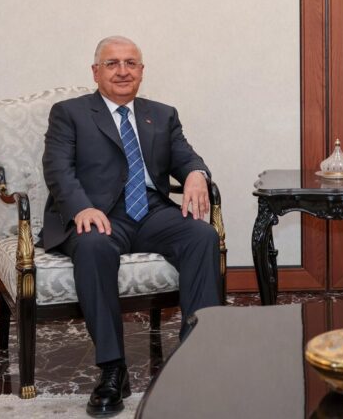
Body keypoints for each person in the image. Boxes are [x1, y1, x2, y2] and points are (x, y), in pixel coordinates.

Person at [42, 35, 221, 416]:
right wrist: (80, 209)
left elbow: (186, 156)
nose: (122, 71)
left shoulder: (162, 113)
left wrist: (195, 174)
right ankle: (112, 369)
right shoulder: (70, 113)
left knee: (201, 235)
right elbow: (58, 169)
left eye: (130, 63)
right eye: (112, 63)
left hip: (152, 212)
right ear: (95, 71)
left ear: (141, 71)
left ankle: (196, 357)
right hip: (98, 214)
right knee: (92, 246)